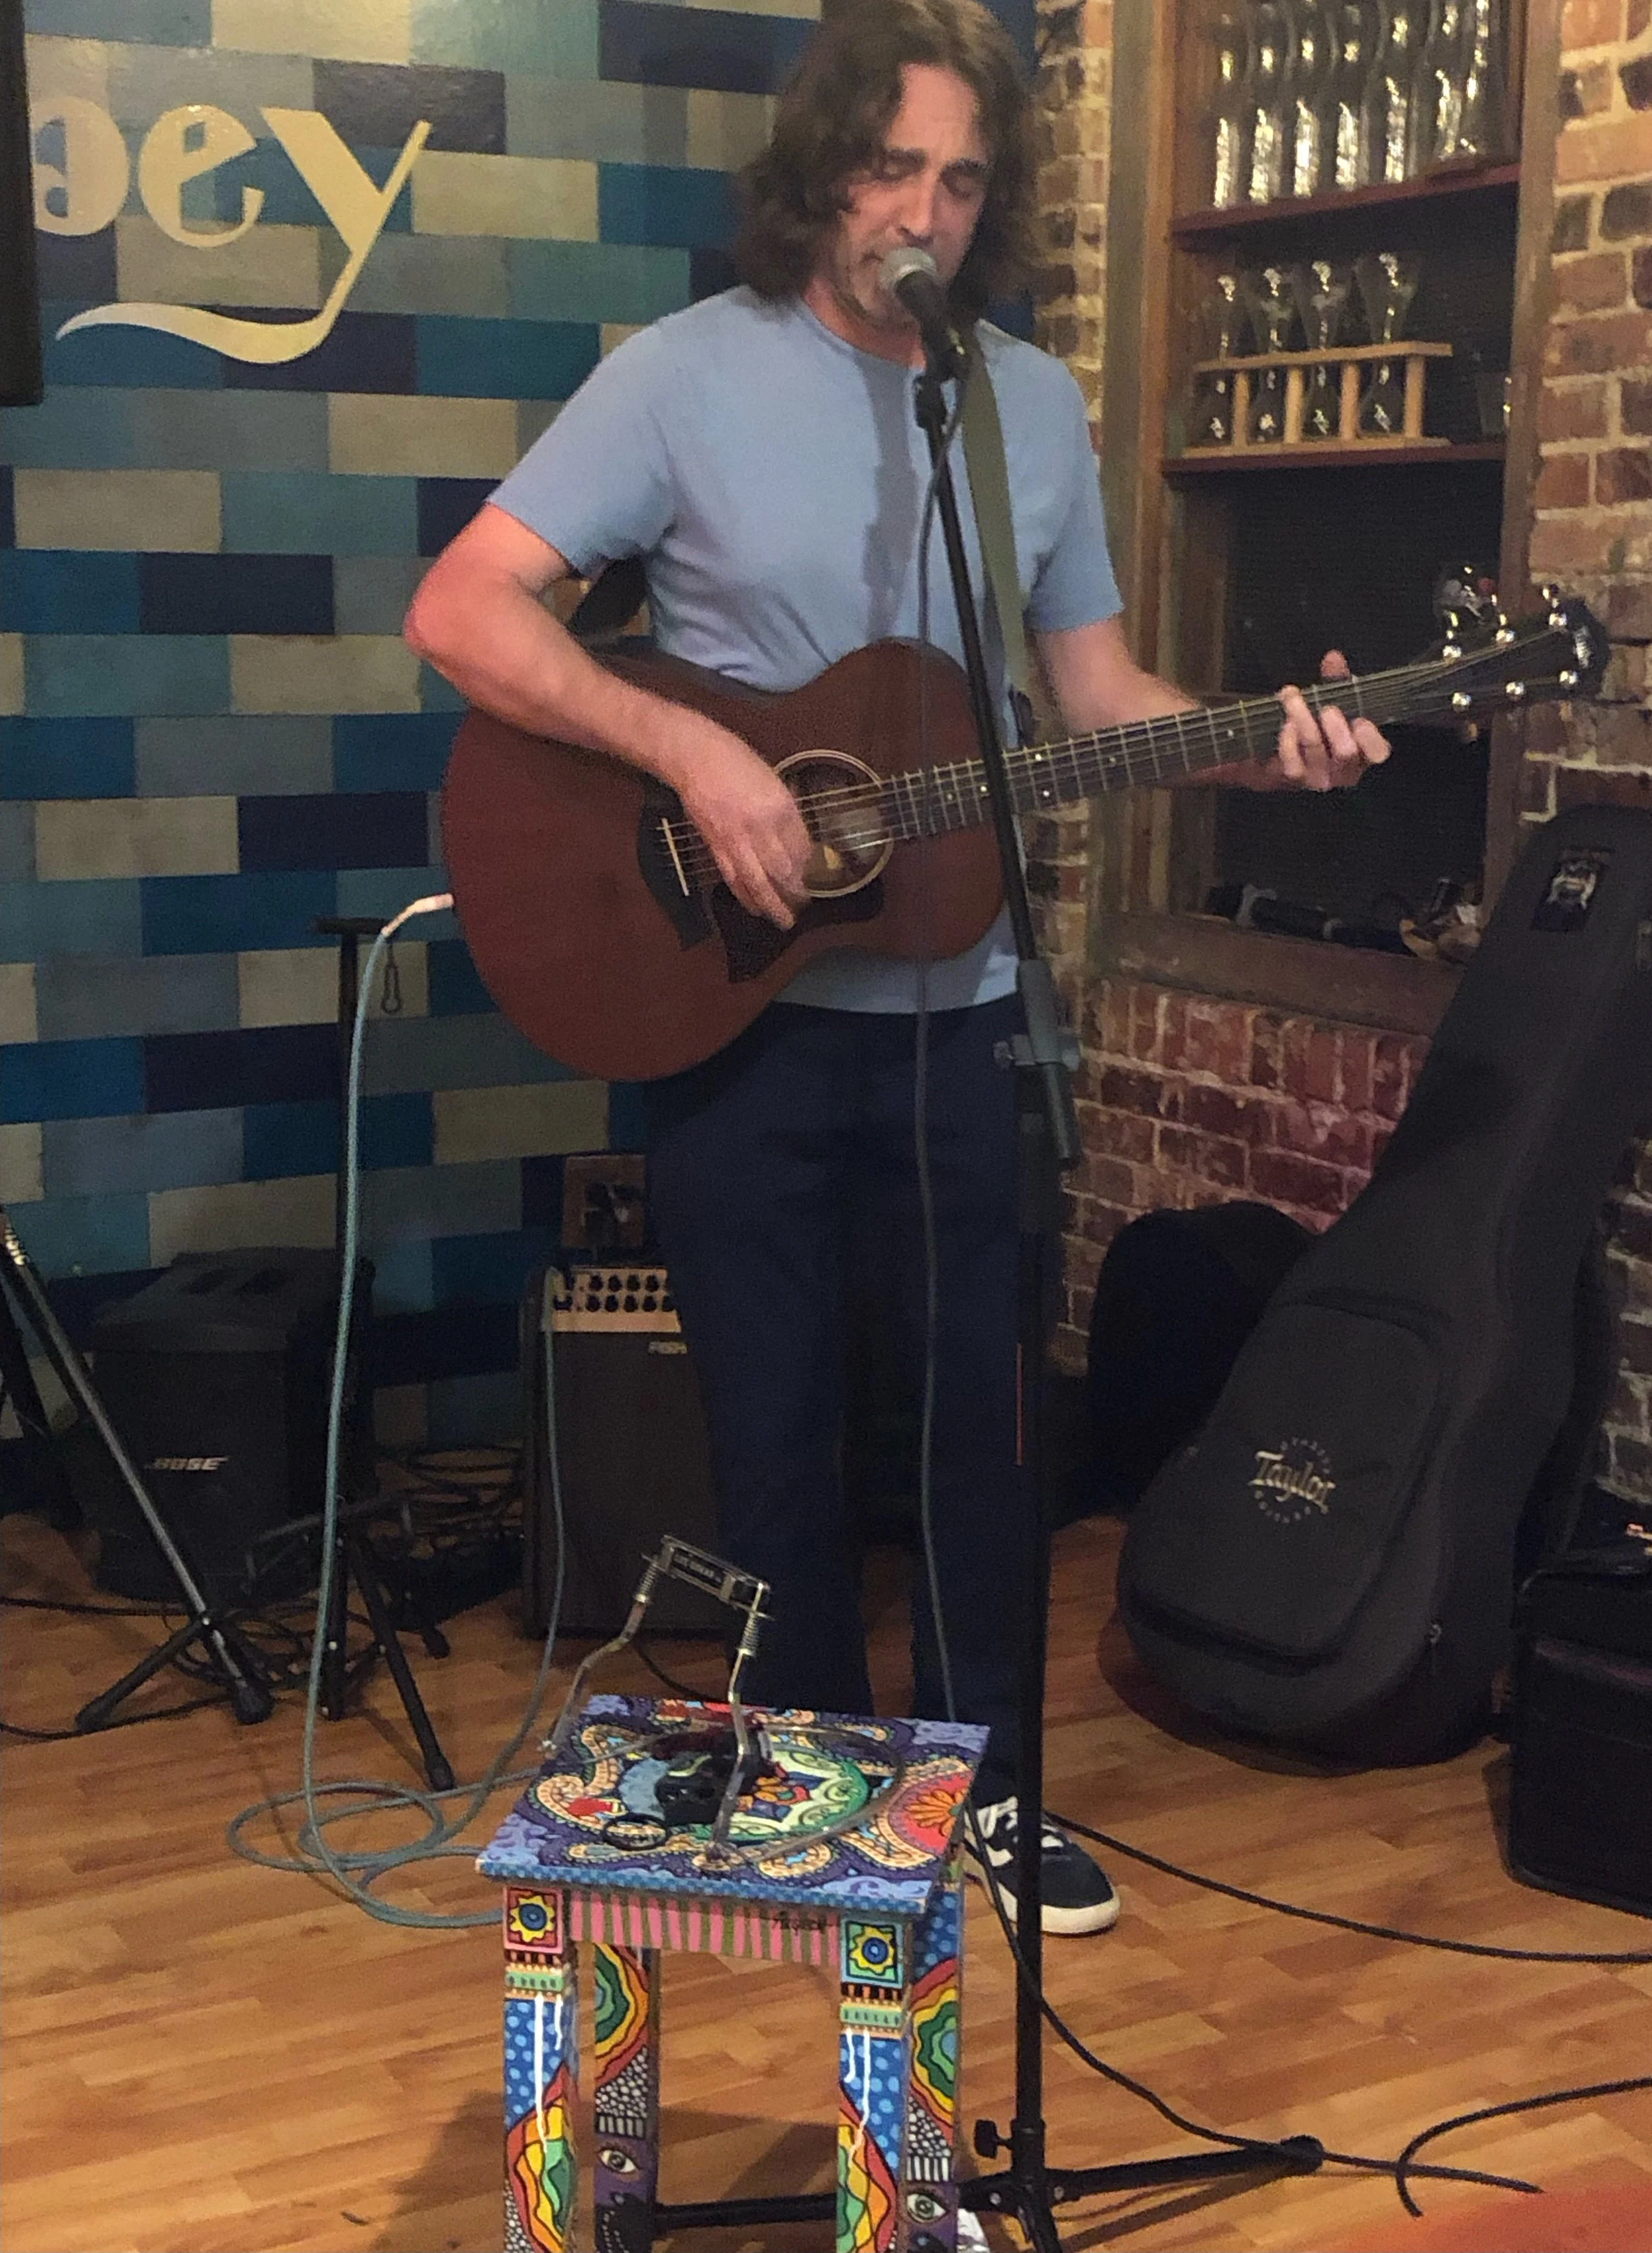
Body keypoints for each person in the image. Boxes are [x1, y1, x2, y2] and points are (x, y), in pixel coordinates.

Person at [406, 0, 1389, 1937]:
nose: (919, 211)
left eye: (957, 178)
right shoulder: (680, 378)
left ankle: (986, 1802)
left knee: (978, 1436)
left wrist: (1252, 731)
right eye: (888, 166)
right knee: (772, 1436)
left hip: (960, 1027)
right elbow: (465, 606)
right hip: (732, 1019)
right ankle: (804, 1801)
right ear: (819, 172)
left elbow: (1093, 691)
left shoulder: (1026, 402)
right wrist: (692, 747)